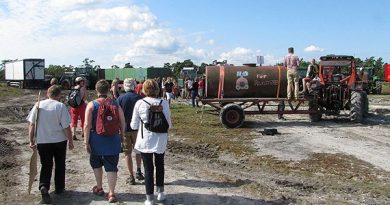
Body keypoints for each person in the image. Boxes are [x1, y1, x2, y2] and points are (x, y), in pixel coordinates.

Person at [26, 85, 74, 204]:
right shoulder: (60, 106)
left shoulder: (38, 105)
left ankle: (43, 186)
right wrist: (71, 141)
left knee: (46, 164)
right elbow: (66, 126)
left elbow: (32, 124)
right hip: (59, 141)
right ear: (59, 95)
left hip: (43, 141)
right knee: (59, 163)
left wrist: (31, 139)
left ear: (48, 93)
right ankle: (59, 187)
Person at [130, 79, 172, 205]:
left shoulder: (139, 103)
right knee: (160, 165)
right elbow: (169, 124)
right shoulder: (164, 103)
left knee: (148, 169)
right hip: (160, 139)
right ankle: (161, 193)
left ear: (144, 89)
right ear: (157, 89)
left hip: (145, 140)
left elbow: (133, 126)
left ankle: (149, 198)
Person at [83, 80, 126, 203]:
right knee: (112, 167)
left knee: (96, 164)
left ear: (96, 90)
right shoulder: (115, 104)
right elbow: (123, 122)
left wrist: (86, 142)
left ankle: (99, 187)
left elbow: (87, 125)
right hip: (113, 140)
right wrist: (122, 137)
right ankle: (111, 193)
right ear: (108, 90)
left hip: (96, 140)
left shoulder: (91, 105)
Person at [117, 78, 145, 185]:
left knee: (127, 153)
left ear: (124, 86)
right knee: (138, 151)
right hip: (137, 129)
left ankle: (131, 176)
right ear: (134, 86)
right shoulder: (140, 98)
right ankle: (138, 171)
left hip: (124, 129)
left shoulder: (120, 98)